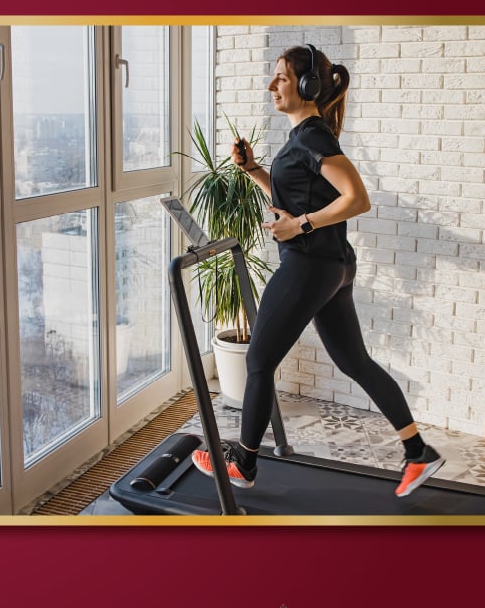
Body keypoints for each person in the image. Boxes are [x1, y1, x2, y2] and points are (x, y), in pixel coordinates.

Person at [191, 44, 445, 497]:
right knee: (353, 361)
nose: (272, 86)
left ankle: (244, 464)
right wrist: (252, 170)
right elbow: (297, 196)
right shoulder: (301, 138)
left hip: (310, 266)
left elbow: (356, 198)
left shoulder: (313, 137)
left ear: (307, 86)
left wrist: (301, 225)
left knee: (258, 362)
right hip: (332, 267)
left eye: (282, 78)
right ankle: (418, 451)